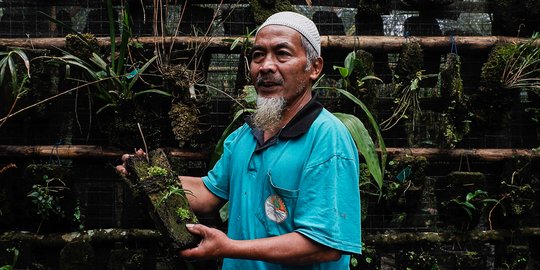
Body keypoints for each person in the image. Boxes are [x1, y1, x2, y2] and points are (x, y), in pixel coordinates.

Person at [118, 11, 361, 269]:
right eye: (258, 55)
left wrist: (229, 248)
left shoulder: (327, 137)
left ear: (314, 68)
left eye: (282, 53)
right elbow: (209, 192)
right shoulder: (246, 135)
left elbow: (325, 245)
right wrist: (149, 178)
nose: (266, 66)